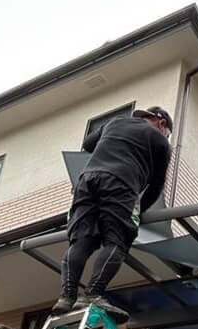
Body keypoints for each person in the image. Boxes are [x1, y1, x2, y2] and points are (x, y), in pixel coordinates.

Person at [52, 105, 173, 315]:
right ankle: (92, 294)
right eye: (168, 133)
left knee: (82, 240)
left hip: (86, 181)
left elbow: (88, 144)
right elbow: (156, 186)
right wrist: (139, 212)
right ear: (161, 123)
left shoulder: (115, 122)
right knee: (118, 240)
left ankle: (66, 297)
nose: (166, 136)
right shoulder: (160, 141)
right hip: (122, 183)